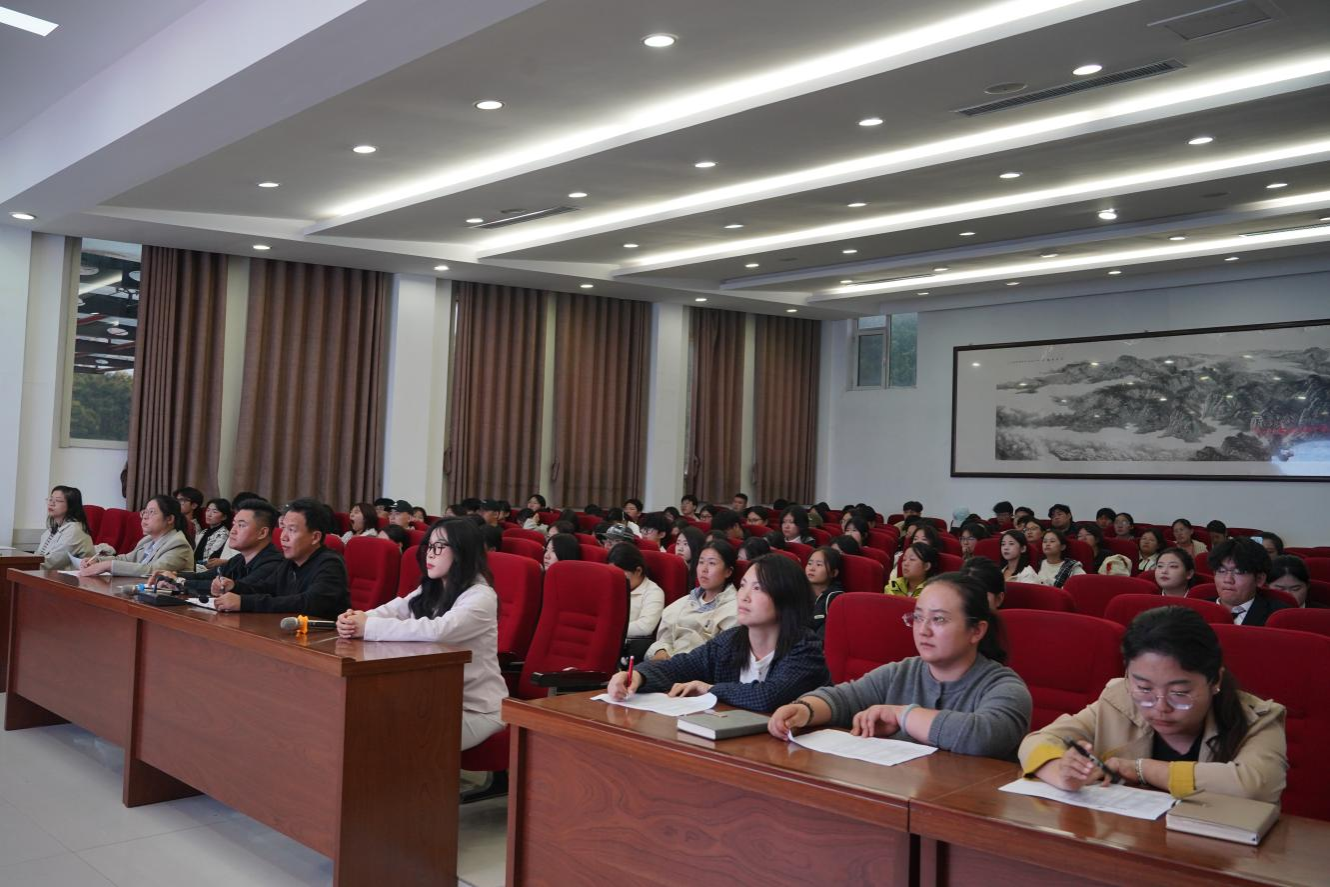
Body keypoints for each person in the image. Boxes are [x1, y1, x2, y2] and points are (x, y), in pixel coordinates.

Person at [1018, 606, 1287, 804]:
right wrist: (1063, 774)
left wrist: (1139, 769)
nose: (1160, 707)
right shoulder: (1119, 699)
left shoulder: (1258, 718)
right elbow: (1037, 741)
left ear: (1215, 679)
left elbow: (1255, 786)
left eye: (1179, 693)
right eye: (1145, 688)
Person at [769, 573, 1032, 759]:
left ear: (976, 630)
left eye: (939, 620)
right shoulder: (902, 672)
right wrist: (803, 710)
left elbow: (983, 737)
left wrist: (902, 716)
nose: (923, 630)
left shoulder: (1005, 687)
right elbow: (844, 698)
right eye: (918, 618)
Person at [336, 519, 506, 750]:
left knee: (396, 737)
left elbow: (438, 631)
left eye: (439, 547)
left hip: (476, 708)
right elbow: (395, 609)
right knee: (367, 718)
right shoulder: (433, 587)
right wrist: (355, 618)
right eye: (429, 546)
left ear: (462, 551)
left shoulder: (481, 597)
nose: (430, 554)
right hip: (432, 698)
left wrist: (368, 626)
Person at [608, 555, 828, 713]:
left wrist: (711, 689)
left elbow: (769, 696)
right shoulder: (731, 641)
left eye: (758, 588)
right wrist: (638, 676)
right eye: (743, 586)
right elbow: (681, 665)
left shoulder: (806, 648)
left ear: (787, 599)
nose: (744, 596)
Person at [211, 498, 349, 618]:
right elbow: (265, 588)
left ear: (315, 537)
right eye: (283, 528)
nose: (283, 537)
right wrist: (234, 586)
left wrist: (244, 602)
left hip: (323, 636)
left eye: (292, 530)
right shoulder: (289, 562)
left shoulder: (330, 563)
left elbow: (308, 602)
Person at [153, 500, 285, 596]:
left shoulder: (273, 563)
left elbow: (237, 588)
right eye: (234, 524)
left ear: (262, 533)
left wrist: (179, 582)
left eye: (241, 525)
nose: (233, 531)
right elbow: (205, 576)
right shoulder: (239, 559)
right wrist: (173, 575)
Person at [646, 540, 738, 660]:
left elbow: (720, 656)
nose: (704, 569)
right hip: (665, 663)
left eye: (712, 563)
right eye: (701, 562)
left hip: (695, 668)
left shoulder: (734, 609)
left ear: (728, 572)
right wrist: (660, 650)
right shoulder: (684, 602)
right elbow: (664, 640)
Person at [79, 495, 193, 577]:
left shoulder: (179, 544)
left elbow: (153, 571)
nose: (145, 517)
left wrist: (108, 566)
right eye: (144, 512)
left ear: (169, 519)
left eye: (152, 512)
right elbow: (125, 559)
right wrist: (97, 560)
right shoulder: (147, 540)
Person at [1211, 537, 1290, 626]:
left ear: (1259, 579)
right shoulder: (1200, 608)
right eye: (1221, 570)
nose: (1228, 580)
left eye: (1239, 572)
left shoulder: (1280, 617)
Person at [607, 542, 665, 640]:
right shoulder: (612, 585)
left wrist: (610, 629)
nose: (616, 579)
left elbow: (645, 627)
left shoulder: (653, 592)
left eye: (620, 574)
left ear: (638, 571)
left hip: (627, 641)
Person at [35, 485, 94, 570]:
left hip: (74, 577)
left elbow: (52, 564)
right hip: (51, 575)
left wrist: (23, 565)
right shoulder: (53, 528)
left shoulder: (74, 530)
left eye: (58, 500)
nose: (51, 503)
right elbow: (38, 556)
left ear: (71, 506)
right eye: (51, 499)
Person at [806, 546, 845, 634]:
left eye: (819, 565)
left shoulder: (835, 599)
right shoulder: (800, 589)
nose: (811, 568)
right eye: (809, 563)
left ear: (833, 573)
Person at [193, 498, 233, 567]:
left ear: (224, 517)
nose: (209, 514)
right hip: (196, 566)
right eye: (208, 510)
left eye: (214, 512)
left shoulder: (223, 534)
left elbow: (210, 560)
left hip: (207, 569)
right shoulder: (204, 532)